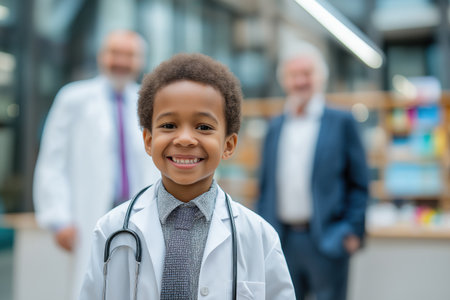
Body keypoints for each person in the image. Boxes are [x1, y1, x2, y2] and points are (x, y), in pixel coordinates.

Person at [79, 53, 296, 299]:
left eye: (203, 127)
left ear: (228, 144)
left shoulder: (259, 237)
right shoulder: (112, 230)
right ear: (148, 141)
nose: (184, 139)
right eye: (169, 125)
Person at [33, 30, 160, 299]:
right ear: (102, 56)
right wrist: (58, 218)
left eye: (129, 55)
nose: (121, 62)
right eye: (115, 53)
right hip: (89, 213)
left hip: (137, 215)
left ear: (140, 61)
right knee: (92, 286)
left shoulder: (148, 102)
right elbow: (52, 162)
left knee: (137, 286)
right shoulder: (73, 98)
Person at [257, 42, 369, 300]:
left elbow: (359, 182)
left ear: (321, 77)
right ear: (284, 80)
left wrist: (352, 230)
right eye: (293, 75)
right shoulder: (274, 127)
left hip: (328, 239)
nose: (300, 81)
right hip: (281, 240)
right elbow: (265, 187)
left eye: (306, 74)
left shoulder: (342, 122)